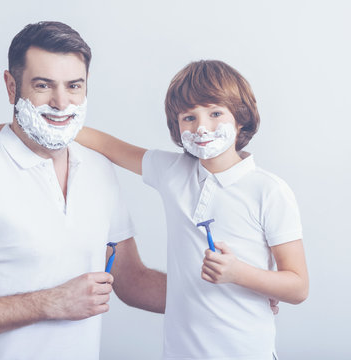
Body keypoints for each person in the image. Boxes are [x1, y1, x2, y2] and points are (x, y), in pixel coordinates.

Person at [0, 21, 165, 360]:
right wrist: (51, 302)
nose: (61, 103)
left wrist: (234, 291)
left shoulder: (99, 169)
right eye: (43, 85)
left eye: (74, 86)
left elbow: (132, 280)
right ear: (11, 86)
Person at [76, 60, 309, 359]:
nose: (201, 127)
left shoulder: (270, 191)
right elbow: (105, 144)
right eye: (188, 117)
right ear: (177, 126)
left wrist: (239, 273)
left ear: (240, 118)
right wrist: (23, 131)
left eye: (215, 113)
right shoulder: (171, 171)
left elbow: (299, 287)